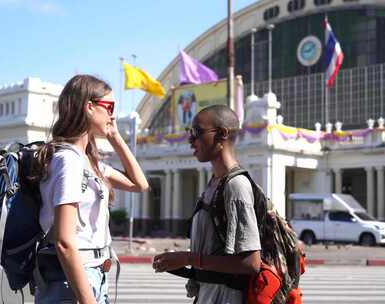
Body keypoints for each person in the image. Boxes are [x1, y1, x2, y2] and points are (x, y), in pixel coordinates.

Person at [34, 74, 149, 304]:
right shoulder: (68, 161)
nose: (113, 115)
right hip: (72, 279)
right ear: (89, 107)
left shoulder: (89, 162)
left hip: (94, 273)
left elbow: (140, 184)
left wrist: (115, 136)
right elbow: (65, 242)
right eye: (109, 107)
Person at [153, 105, 261, 303]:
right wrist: (180, 263)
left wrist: (187, 258)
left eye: (196, 132)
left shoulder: (236, 186)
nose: (190, 140)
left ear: (222, 134)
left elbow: (250, 263)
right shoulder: (214, 183)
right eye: (189, 132)